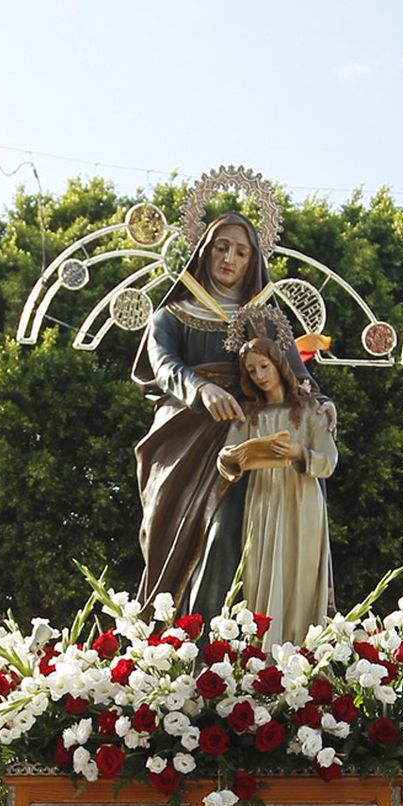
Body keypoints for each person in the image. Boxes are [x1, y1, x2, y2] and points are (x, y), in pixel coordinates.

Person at [131, 214, 323, 621]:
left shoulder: (266, 319)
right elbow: (163, 365)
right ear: (205, 251)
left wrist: (321, 403)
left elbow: (298, 377)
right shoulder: (171, 316)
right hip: (186, 438)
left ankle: (232, 651)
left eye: (241, 251)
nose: (229, 259)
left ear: (252, 259)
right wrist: (200, 389)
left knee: (239, 537)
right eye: (221, 247)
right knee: (184, 539)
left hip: (252, 437)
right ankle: (186, 648)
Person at [213, 325, 337, 645]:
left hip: (302, 499)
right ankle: (263, 659)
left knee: (301, 574)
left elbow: (329, 459)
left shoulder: (309, 409)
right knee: (261, 573)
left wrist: (299, 453)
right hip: (263, 501)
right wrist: (232, 457)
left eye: (264, 366)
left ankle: (302, 654)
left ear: (279, 364)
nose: (259, 375)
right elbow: (227, 458)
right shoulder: (250, 415)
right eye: (252, 370)